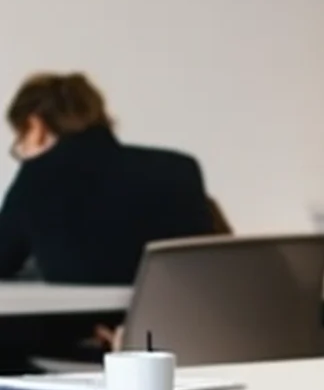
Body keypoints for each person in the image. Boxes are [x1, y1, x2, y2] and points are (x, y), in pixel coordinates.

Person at [0, 72, 221, 285]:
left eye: (21, 139)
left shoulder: (38, 176)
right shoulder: (179, 168)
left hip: (79, 321)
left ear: (36, 126)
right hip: (174, 318)